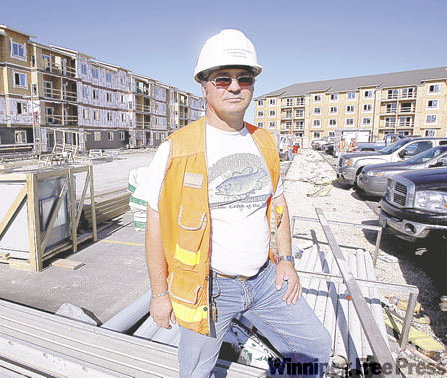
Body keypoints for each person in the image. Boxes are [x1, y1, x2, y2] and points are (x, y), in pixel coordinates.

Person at [134, 29, 331, 377]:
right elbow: (155, 228)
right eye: (222, 79)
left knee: (314, 347)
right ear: (204, 85)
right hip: (208, 288)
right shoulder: (177, 149)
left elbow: (280, 205)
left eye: (244, 79)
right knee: (197, 371)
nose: (235, 87)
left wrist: (286, 260)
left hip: (265, 280)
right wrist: (158, 294)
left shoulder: (265, 142)